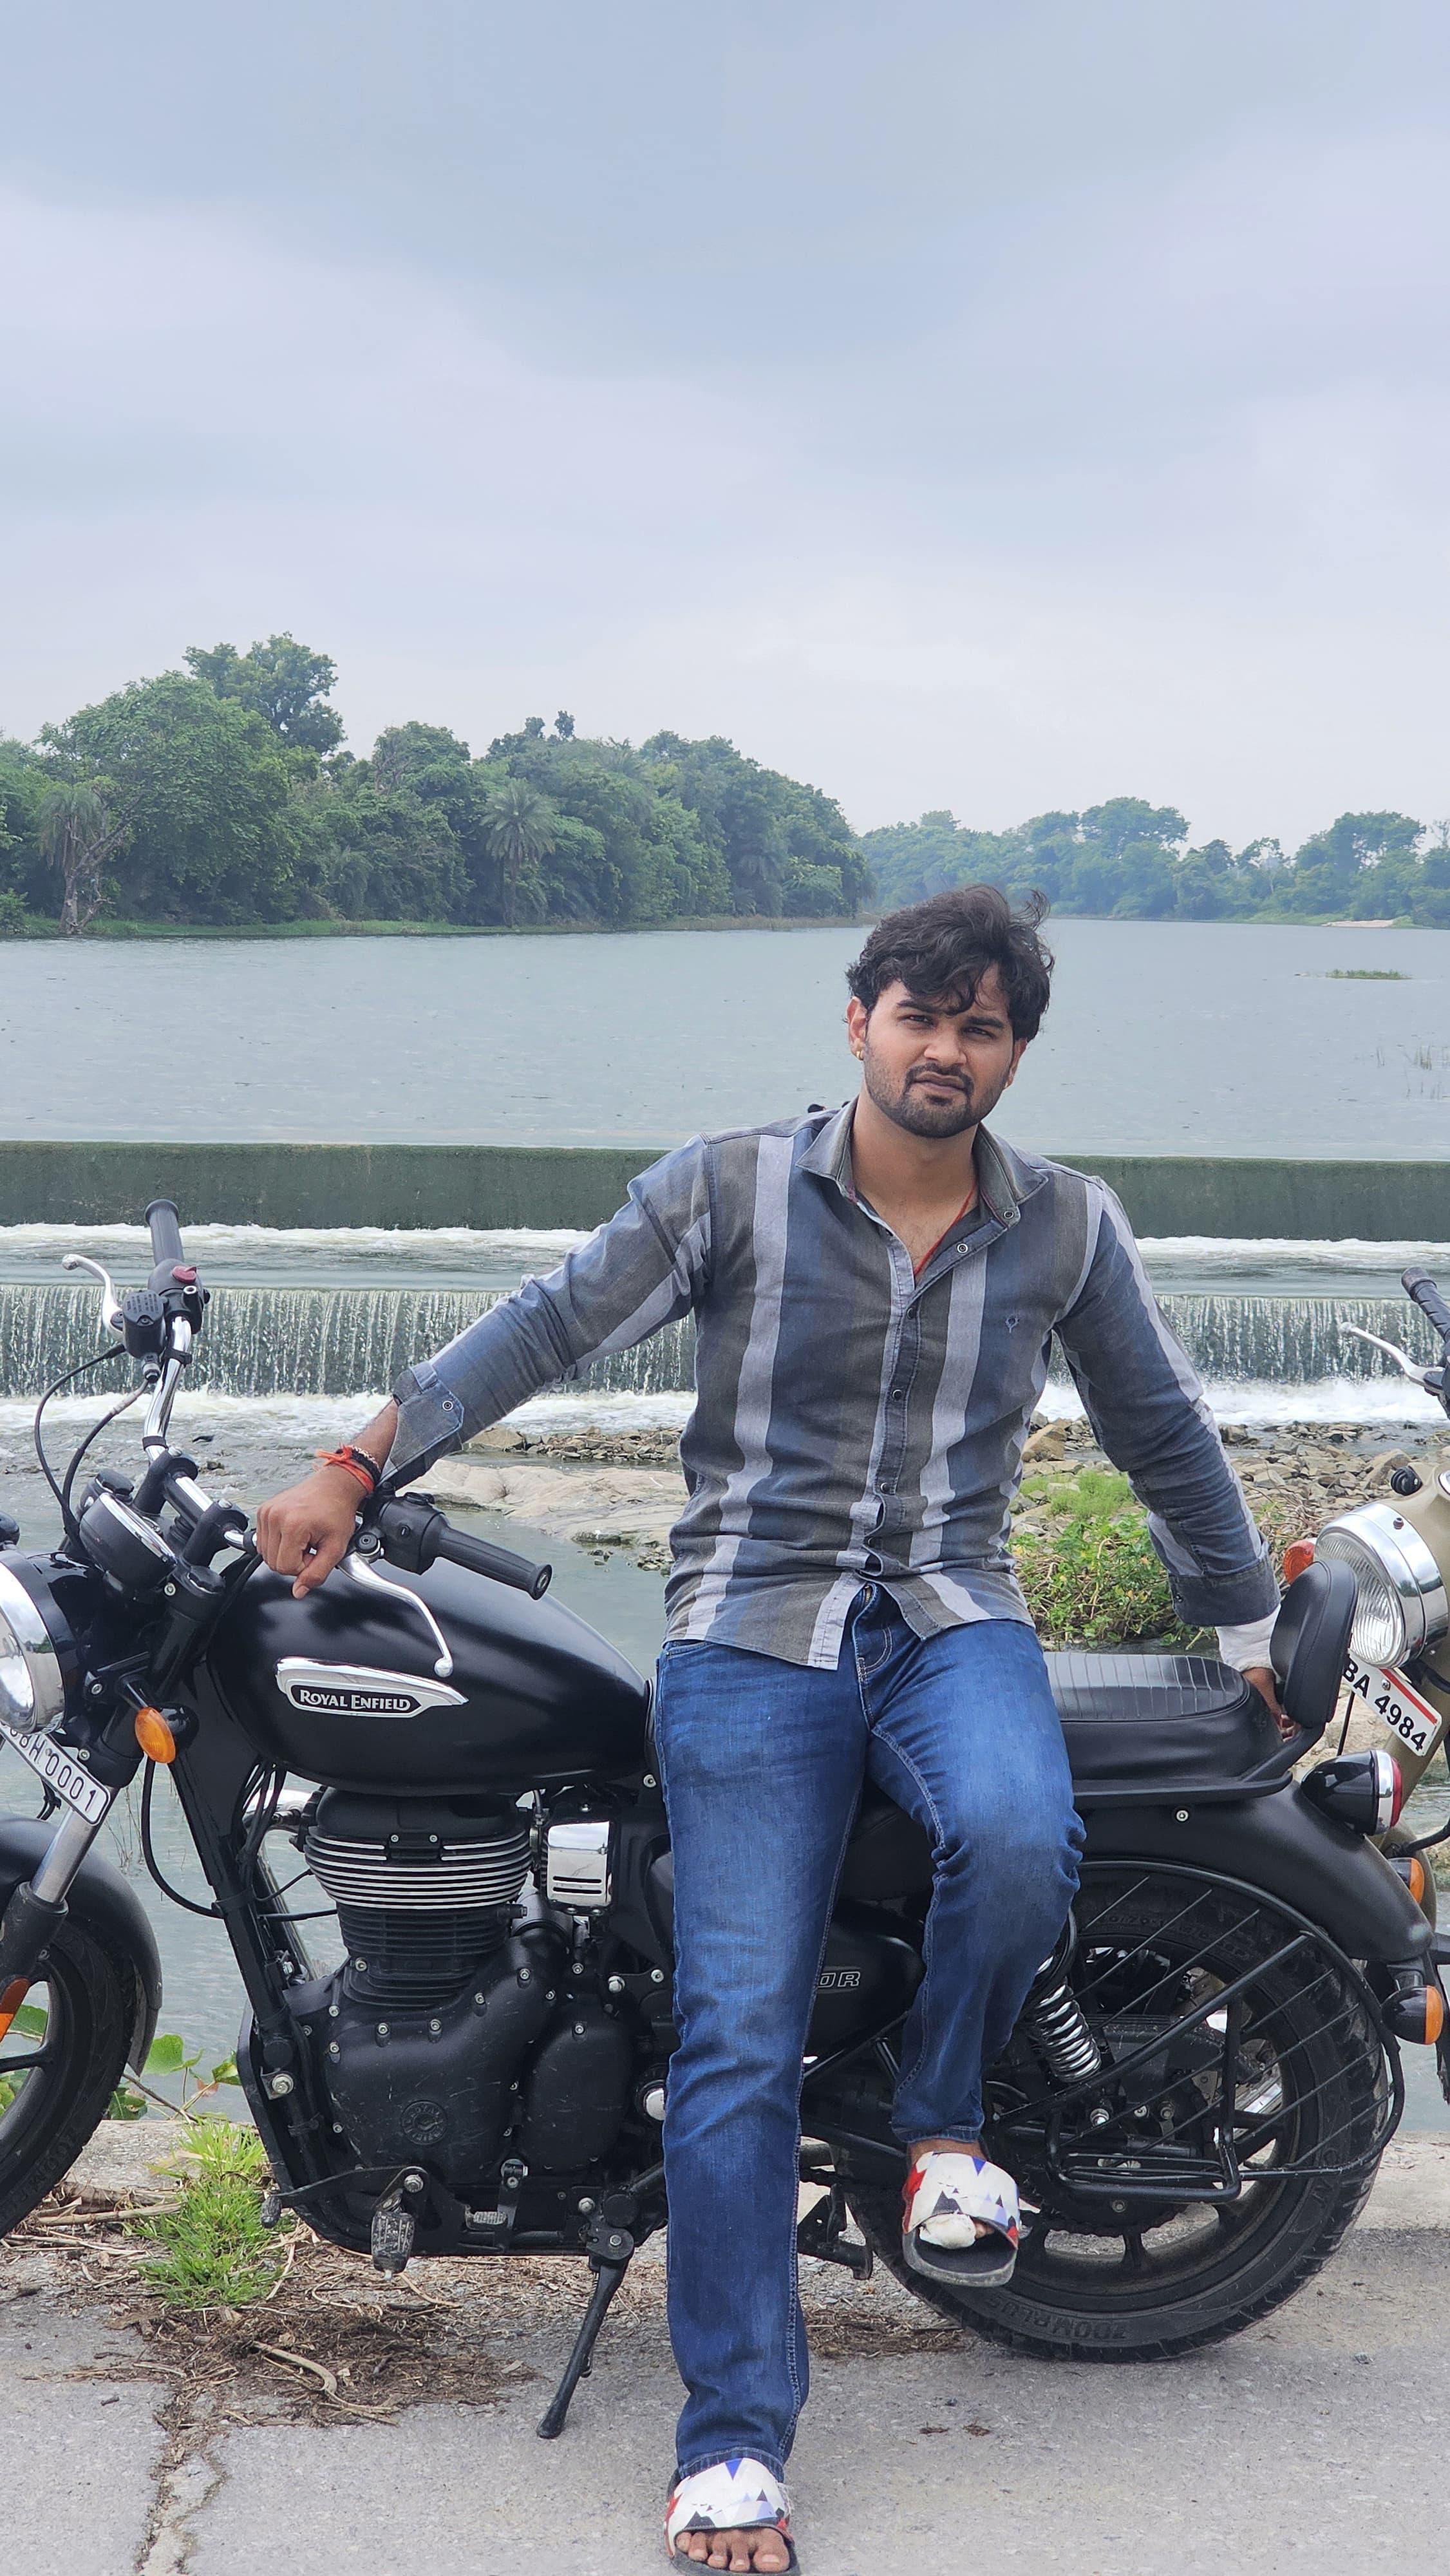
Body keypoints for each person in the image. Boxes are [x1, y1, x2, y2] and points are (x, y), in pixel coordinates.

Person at [257, 887, 1281, 2574]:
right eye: (919, 1015)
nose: (945, 1049)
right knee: (733, 2036)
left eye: (980, 1026)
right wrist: (359, 1464)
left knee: (1019, 1838)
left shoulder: (1064, 1229)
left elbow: (1160, 1428)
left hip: (950, 1613)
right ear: (858, 1020)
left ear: (1012, 1053)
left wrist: (1242, 1618)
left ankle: (944, 2128)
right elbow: (543, 1322)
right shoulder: (725, 1185)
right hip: (748, 1627)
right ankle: (733, 2444)